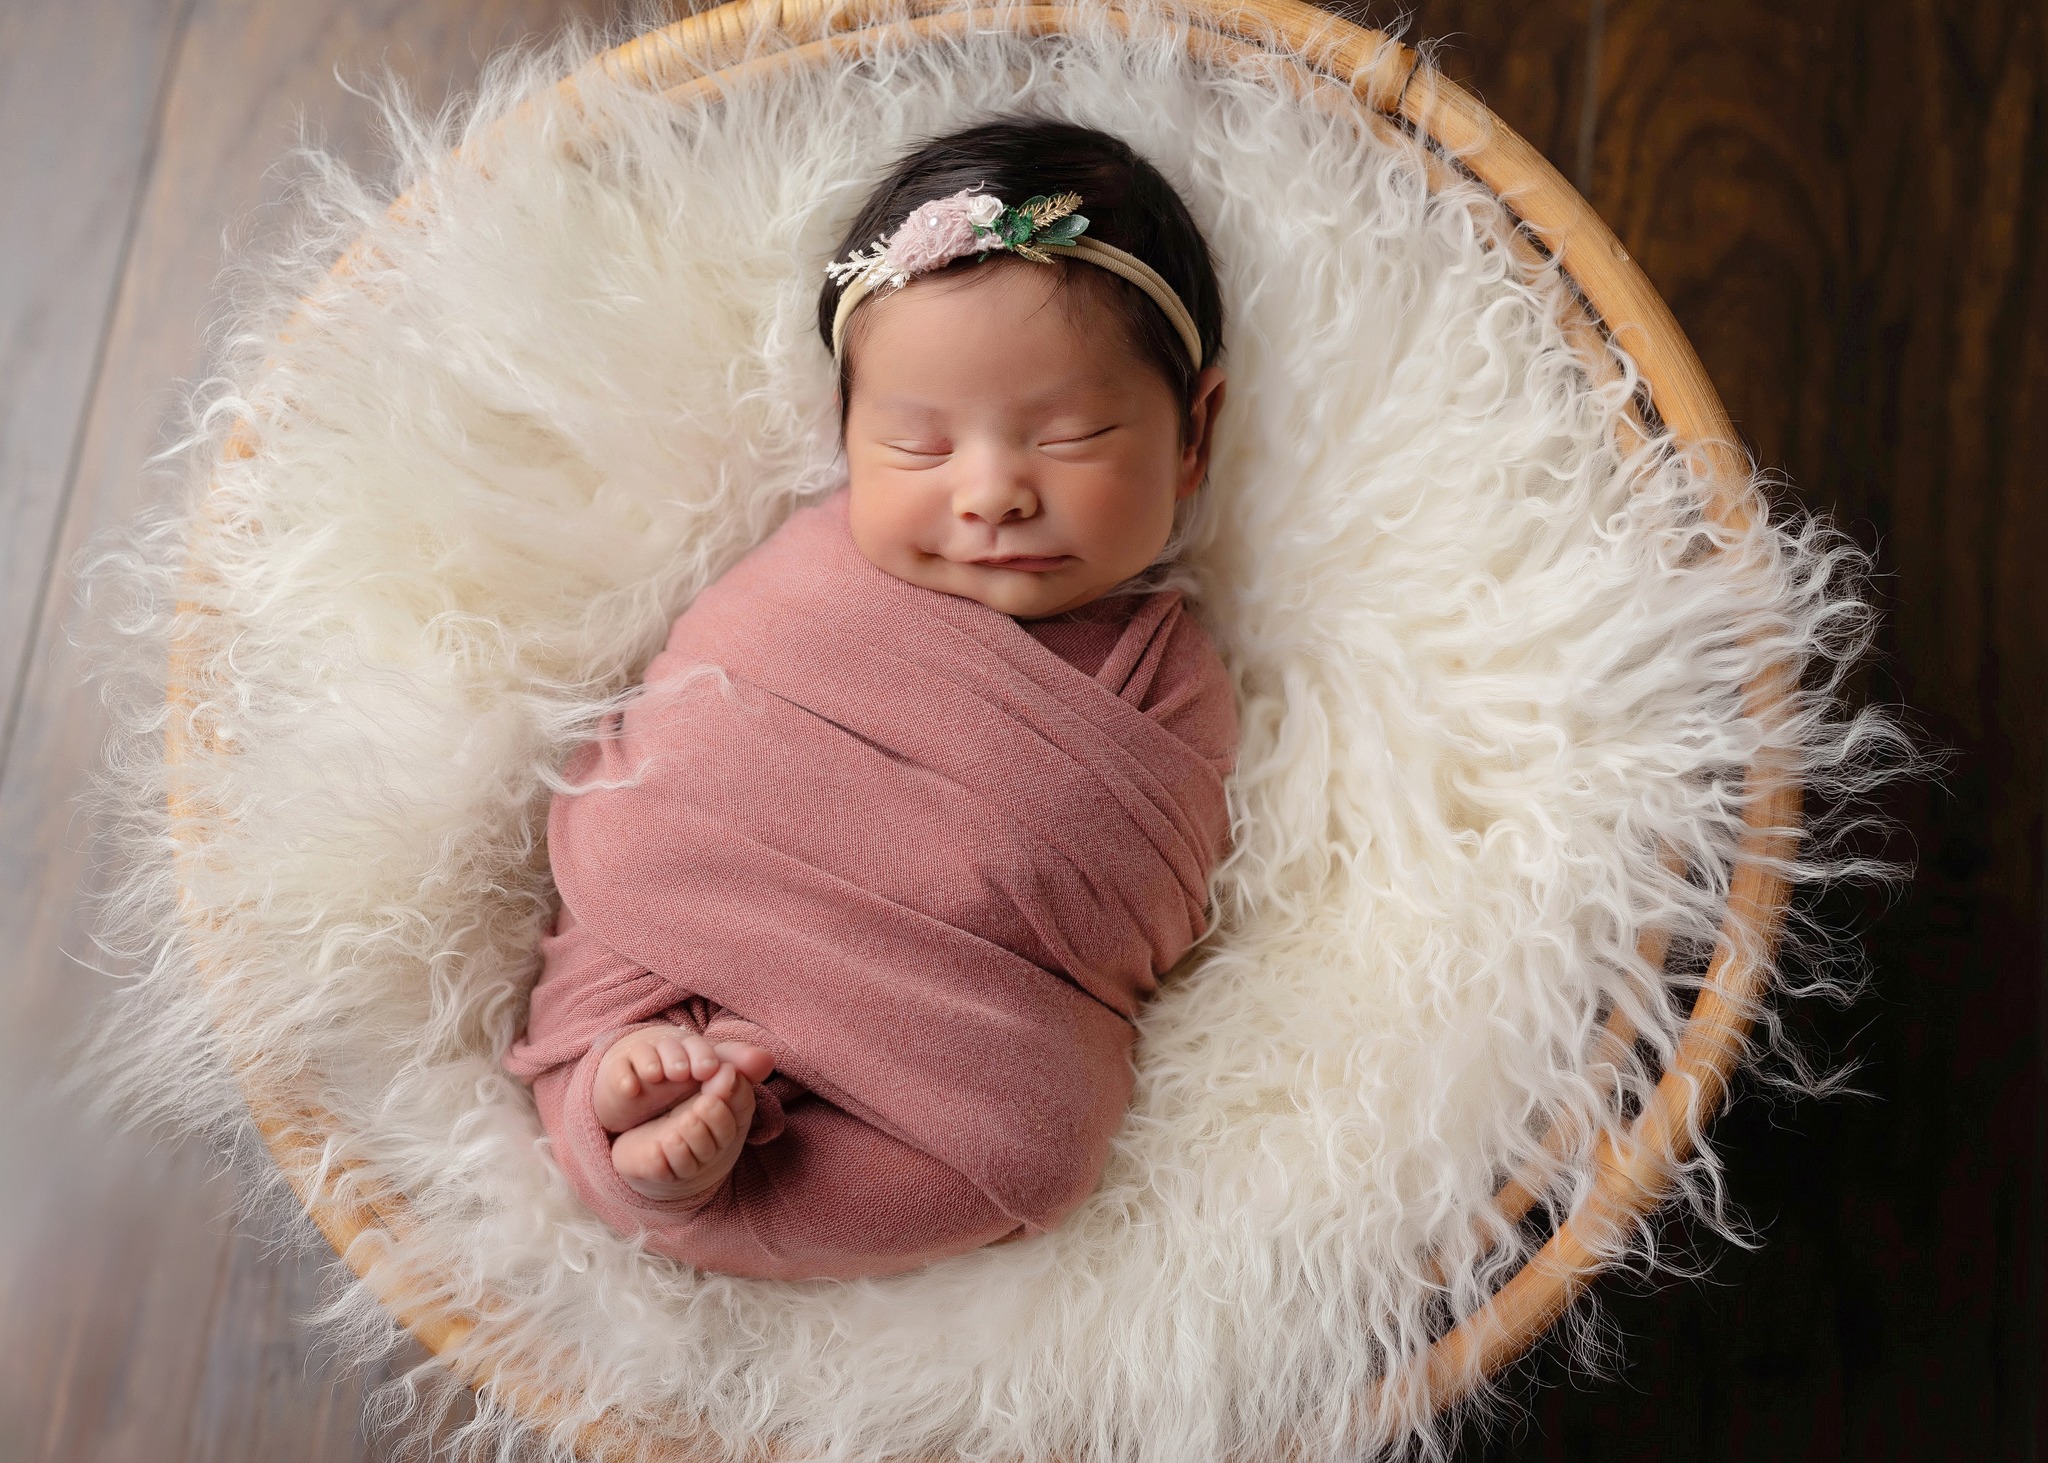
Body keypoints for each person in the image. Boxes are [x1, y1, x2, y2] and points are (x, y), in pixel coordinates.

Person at [506, 116, 1239, 1279]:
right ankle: (628, 1114)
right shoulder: (800, 579)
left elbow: (1146, 913)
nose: (992, 491)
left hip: (950, 1047)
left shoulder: (1168, 673)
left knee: (1041, 1141)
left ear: (1191, 437)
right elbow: (671, 763)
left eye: (1071, 435)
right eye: (918, 444)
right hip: (686, 942)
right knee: (612, 926)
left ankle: (690, 1169)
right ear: (847, 438)